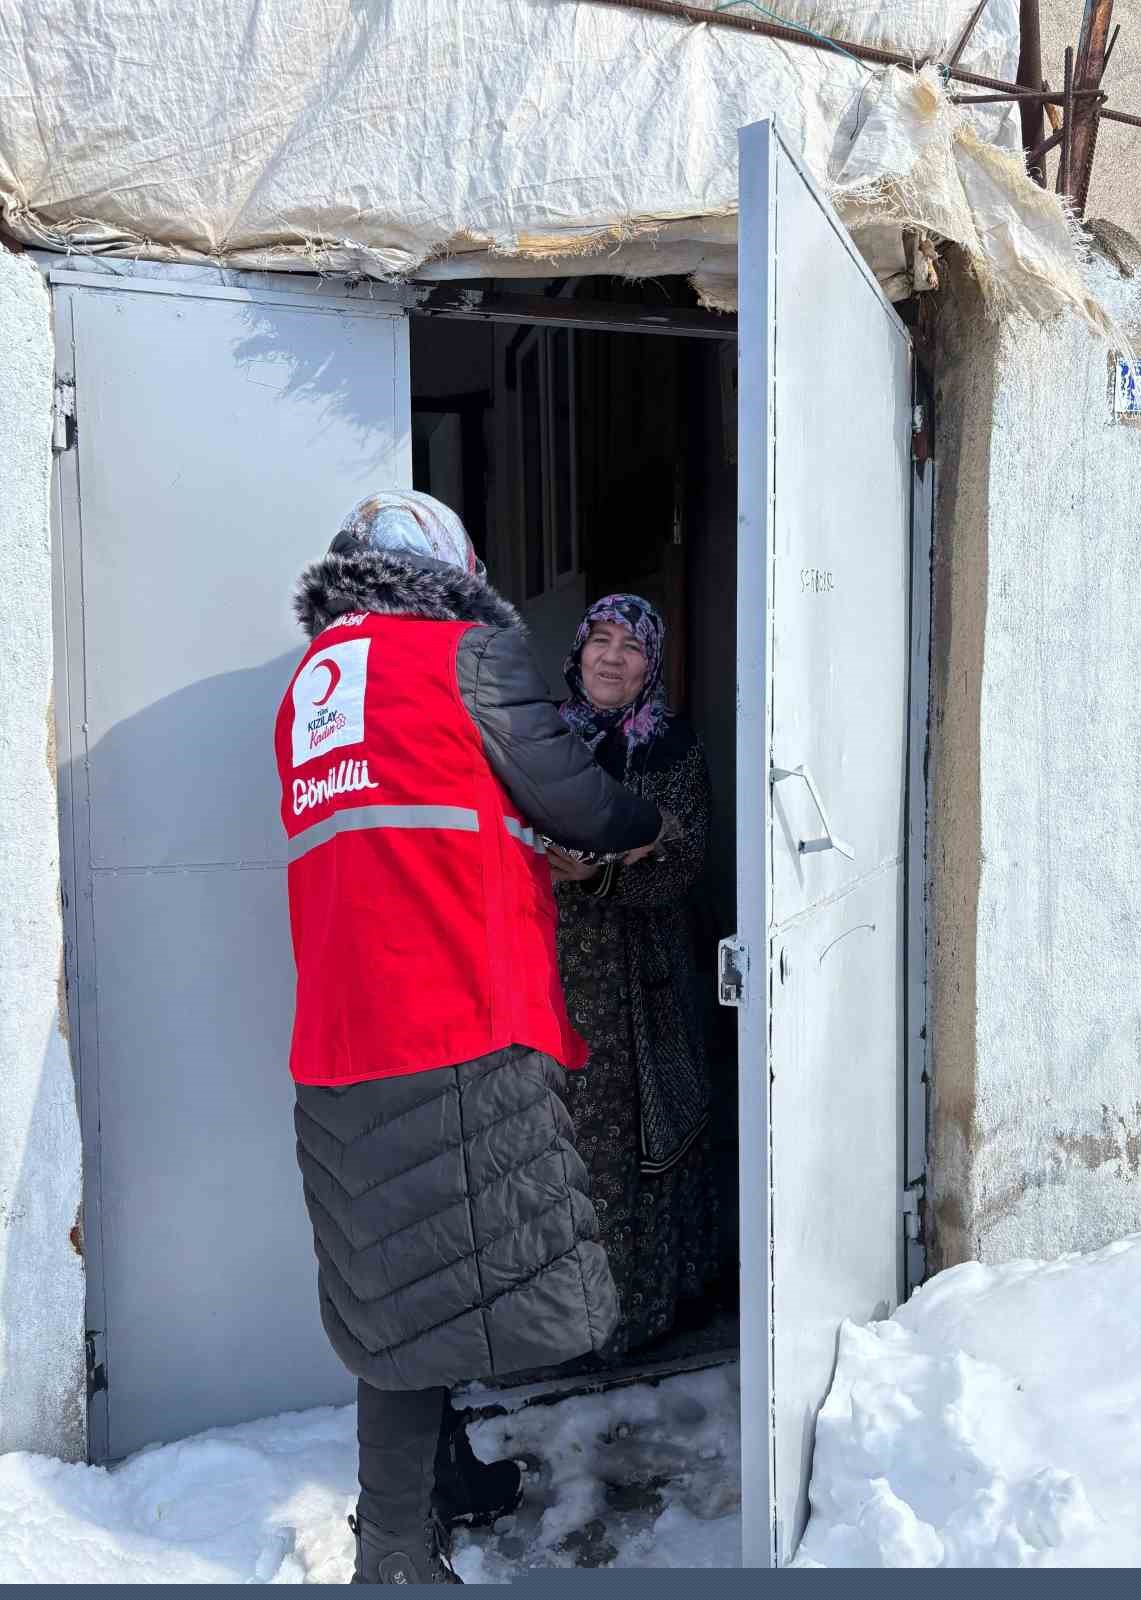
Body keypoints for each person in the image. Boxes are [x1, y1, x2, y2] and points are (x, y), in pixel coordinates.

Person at [273, 494, 663, 1584]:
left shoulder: (313, 687)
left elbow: (421, 811)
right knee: (437, 1292)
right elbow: (574, 796)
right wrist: (651, 826)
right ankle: (392, 1551)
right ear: (451, 573)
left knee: (407, 1275)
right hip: (453, 1015)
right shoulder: (461, 654)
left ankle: (437, 1487)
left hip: (343, 1029)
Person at [547, 595, 719, 1361]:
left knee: (641, 1141)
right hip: (555, 967)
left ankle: (638, 1317)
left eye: (632, 647)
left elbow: (684, 858)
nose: (612, 658)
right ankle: (564, 1323)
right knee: (563, 1141)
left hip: (642, 977)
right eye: (601, 641)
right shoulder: (541, 740)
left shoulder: (671, 748)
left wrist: (600, 876)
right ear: (579, 650)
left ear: (652, 663)